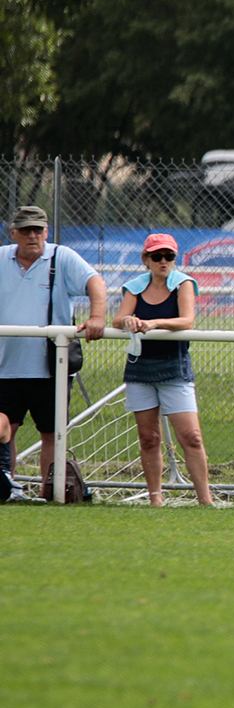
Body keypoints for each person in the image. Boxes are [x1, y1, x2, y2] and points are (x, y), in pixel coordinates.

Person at [0, 205, 106, 502]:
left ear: (47, 231)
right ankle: (9, 490)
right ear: (14, 233)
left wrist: (97, 317)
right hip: (5, 366)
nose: (33, 236)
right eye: (26, 230)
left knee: (52, 434)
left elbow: (95, 282)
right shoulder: (1, 258)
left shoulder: (63, 257)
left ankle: (51, 493)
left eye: (38, 230)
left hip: (51, 367)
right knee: (5, 430)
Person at [114, 233, 213, 506]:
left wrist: (153, 323)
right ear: (146, 259)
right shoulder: (134, 287)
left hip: (174, 367)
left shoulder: (183, 284)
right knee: (149, 437)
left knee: (191, 437)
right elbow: (118, 319)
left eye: (169, 256)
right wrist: (129, 321)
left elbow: (187, 321)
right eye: (157, 256)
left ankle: (206, 500)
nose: (163, 261)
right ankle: (155, 499)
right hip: (140, 369)